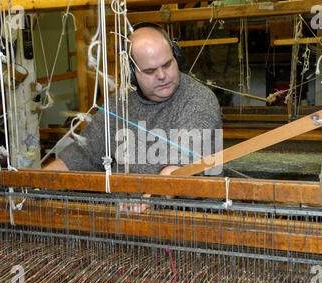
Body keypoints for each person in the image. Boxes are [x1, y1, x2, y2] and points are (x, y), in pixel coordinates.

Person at [44, 23, 222, 210]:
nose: (162, 75)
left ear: (177, 57)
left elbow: (177, 170)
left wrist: (145, 203)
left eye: (167, 64)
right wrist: (30, 183)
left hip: (191, 226)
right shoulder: (118, 105)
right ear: (132, 73)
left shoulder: (198, 100)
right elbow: (79, 157)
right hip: (130, 224)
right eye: (149, 71)